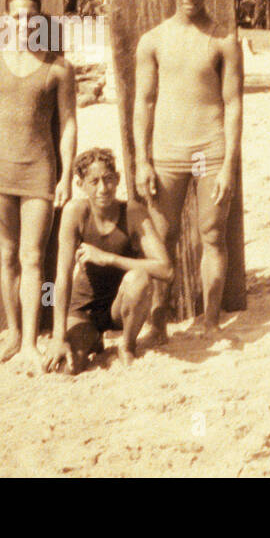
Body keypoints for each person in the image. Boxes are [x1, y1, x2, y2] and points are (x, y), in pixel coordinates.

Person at [0, 0, 77, 373]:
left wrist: (66, 176)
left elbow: (68, 124)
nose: (23, 22)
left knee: (32, 257)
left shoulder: (58, 68)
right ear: (6, 19)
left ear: (40, 18)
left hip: (39, 171)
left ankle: (29, 343)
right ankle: (13, 333)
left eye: (30, 15)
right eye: (16, 16)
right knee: (8, 256)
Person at [133, 0, 243, 340]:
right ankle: (158, 321)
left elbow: (233, 104)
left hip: (208, 152)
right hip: (169, 154)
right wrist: (142, 161)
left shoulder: (224, 42)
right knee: (162, 238)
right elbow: (143, 102)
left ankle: (211, 320)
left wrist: (229, 163)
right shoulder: (153, 41)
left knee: (213, 234)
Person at [43, 148, 173, 374]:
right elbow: (61, 277)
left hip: (120, 307)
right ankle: (92, 338)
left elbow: (166, 269)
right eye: (94, 182)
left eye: (109, 179)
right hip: (85, 309)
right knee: (67, 368)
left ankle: (128, 345)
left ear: (118, 179)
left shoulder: (132, 212)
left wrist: (109, 258)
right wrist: (57, 337)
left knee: (139, 279)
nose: (103, 189)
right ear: (80, 184)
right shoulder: (75, 212)